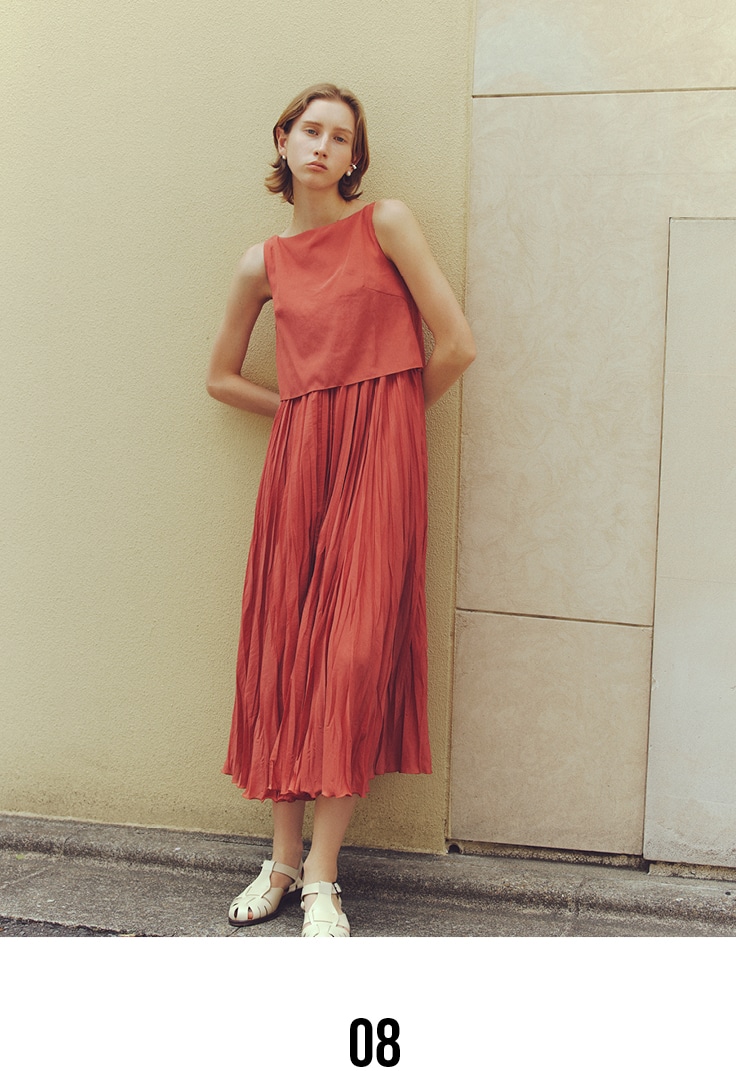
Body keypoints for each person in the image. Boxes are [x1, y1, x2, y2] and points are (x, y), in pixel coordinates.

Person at [206, 83, 475, 937]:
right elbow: (220, 378)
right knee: (288, 650)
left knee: (353, 654)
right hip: (300, 465)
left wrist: (387, 423)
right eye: (310, 131)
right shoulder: (261, 263)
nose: (322, 146)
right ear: (283, 140)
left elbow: (457, 345)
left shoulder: (385, 223)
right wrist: (299, 413)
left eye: (340, 137)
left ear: (356, 157)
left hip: (383, 459)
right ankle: (282, 860)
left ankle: (323, 873)